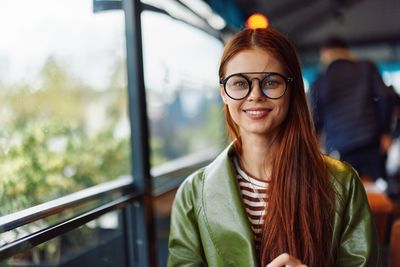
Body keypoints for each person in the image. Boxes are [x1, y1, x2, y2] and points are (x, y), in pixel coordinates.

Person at [168, 28, 381, 267]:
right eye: (239, 83)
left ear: (292, 89)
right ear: (223, 93)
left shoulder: (343, 183)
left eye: (271, 82)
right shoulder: (192, 194)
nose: (255, 95)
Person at [308, 37, 393, 181]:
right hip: (371, 142)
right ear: (346, 51)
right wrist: (385, 132)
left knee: (347, 195)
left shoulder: (320, 80)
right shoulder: (366, 68)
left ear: (324, 53)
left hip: (339, 150)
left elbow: (316, 119)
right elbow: (386, 97)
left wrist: (313, 146)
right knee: (379, 191)